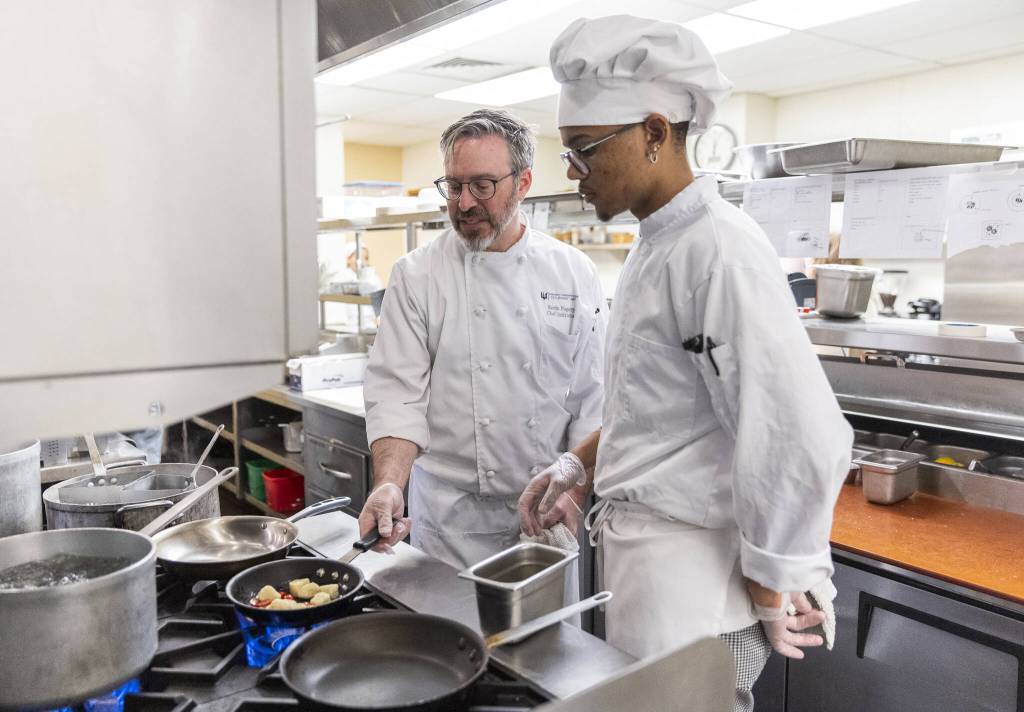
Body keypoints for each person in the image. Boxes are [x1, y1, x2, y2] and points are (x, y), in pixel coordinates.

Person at [518, 16, 852, 711]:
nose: (573, 173)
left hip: (698, 590)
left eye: (583, 151)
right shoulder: (656, 242)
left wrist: (772, 575)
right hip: (650, 572)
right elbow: (661, 402)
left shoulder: (719, 250)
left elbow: (798, 430)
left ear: (654, 131)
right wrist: (577, 464)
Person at [359, 109, 606, 569]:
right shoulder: (417, 276)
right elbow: (397, 394)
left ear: (524, 182)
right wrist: (389, 483)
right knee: (448, 637)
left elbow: (595, 397)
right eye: (454, 186)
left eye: (483, 186)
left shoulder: (573, 272)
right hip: (450, 522)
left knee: (546, 641)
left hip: (546, 515)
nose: (465, 203)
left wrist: (572, 488)